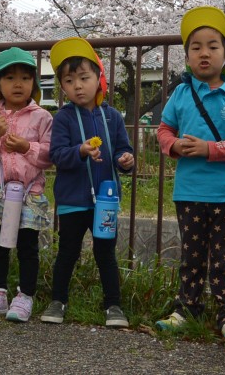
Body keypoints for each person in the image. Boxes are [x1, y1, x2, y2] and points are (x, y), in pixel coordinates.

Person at [155, 6, 225, 337]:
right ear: (186, 56)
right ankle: (186, 307)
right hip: (188, 192)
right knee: (191, 254)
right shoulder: (181, 94)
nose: (204, 53)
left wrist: (210, 150)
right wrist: (173, 146)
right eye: (196, 47)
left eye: (213, 46)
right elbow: (163, 130)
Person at [39, 37, 135, 328]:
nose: (77, 86)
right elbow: (56, 155)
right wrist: (79, 151)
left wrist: (126, 160)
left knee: (105, 251)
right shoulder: (64, 118)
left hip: (105, 199)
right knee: (67, 251)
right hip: (71, 199)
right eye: (69, 81)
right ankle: (58, 301)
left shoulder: (113, 116)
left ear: (98, 79)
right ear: (63, 87)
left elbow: (123, 149)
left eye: (84, 78)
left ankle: (114, 305)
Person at [0, 47, 53, 323]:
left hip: (30, 193)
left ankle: (25, 295)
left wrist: (28, 146)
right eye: (9, 78)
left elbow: (49, 156)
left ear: (34, 83)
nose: (18, 84)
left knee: (28, 246)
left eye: (25, 78)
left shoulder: (42, 117)